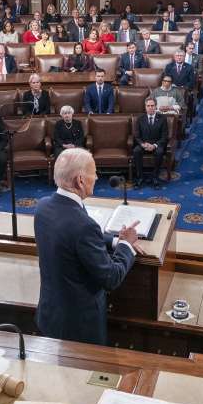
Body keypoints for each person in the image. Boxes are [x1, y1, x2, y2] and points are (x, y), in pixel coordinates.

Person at [34, 148, 138, 345]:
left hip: (50, 314)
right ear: (80, 180)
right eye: (94, 172)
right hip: (78, 328)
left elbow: (72, 236)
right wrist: (126, 244)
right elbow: (111, 278)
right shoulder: (84, 225)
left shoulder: (43, 206)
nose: (97, 177)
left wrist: (115, 240)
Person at [132, 97, 168, 187]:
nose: (150, 107)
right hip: (144, 144)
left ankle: (155, 177)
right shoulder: (140, 119)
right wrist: (143, 144)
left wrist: (155, 145)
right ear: (145, 107)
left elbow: (164, 137)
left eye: (152, 105)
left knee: (160, 152)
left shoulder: (162, 119)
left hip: (156, 144)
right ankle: (140, 177)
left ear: (156, 106)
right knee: (136, 151)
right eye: (148, 106)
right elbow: (137, 136)